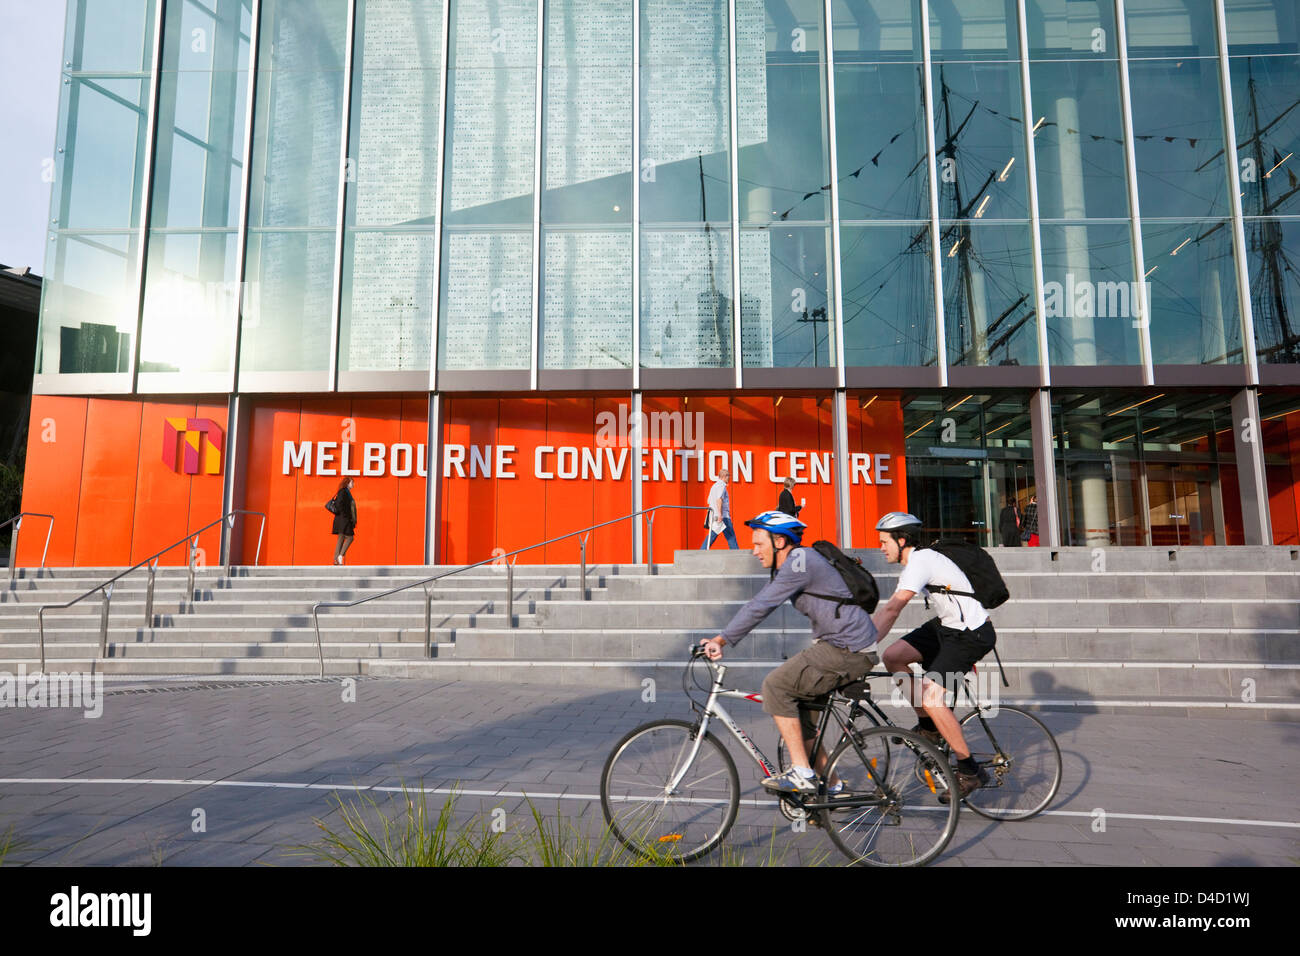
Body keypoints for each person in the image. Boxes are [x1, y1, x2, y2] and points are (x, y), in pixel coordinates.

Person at [698, 512, 880, 794]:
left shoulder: (800, 562)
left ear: (780, 540)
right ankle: (832, 786)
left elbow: (761, 605)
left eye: (759, 544)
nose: (753, 550)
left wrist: (721, 640)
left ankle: (802, 774)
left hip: (847, 648)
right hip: (844, 645)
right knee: (803, 723)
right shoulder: (795, 563)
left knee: (776, 685)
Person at [871, 511, 996, 800]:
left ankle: (970, 771)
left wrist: (864, 645)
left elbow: (892, 609)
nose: (881, 547)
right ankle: (929, 728)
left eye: (884, 541)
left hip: (970, 632)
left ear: (902, 540)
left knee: (931, 697)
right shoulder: (916, 561)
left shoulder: (921, 560)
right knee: (893, 656)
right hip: (946, 627)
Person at [700, 467, 739, 549]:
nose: (729, 479)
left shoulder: (714, 486)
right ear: (725, 476)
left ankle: (702, 550)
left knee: (713, 534)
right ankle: (737, 554)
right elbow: (719, 499)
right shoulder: (721, 486)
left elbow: (709, 501)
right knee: (731, 536)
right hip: (722, 516)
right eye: (728, 476)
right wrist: (720, 514)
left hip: (715, 515)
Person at [331, 477, 357, 565]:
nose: (353, 484)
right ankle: (340, 555)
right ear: (347, 483)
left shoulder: (347, 492)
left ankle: (336, 559)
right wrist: (346, 515)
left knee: (341, 538)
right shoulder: (343, 492)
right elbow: (339, 505)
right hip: (343, 519)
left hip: (342, 519)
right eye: (352, 483)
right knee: (350, 537)